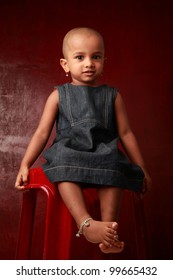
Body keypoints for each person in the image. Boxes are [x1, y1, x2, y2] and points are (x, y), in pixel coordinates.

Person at [15, 27, 151, 254]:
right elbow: (42, 133)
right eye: (80, 57)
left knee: (115, 166)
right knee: (62, 165)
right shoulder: (59, 95)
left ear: (104, 61)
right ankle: (85, 223)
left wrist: (142, 167)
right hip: (70, 150)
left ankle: (108, 231)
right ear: (65, 64)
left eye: (95, 57)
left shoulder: (113, 96)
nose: (89, 63)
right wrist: (25, 163)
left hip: (103, 151)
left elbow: (126, 134)